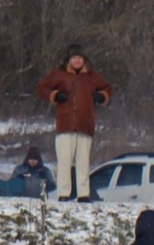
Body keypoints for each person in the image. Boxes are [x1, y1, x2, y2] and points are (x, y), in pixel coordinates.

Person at [33, 49, 113, 202]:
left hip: (85, 125)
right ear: (69, 60)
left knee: (83, 162)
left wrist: (102, 96)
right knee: (64, 162)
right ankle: (63, 193)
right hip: (65, 125)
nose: (77, 61)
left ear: (84, 60)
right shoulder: (59, 74)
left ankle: (83, 194)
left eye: (80, 58)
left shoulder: (91, 76)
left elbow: (108, 88)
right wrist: (55, 95)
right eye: (74, 57)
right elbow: (41, 87)